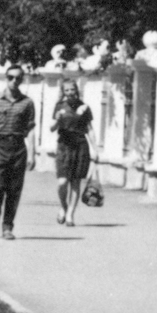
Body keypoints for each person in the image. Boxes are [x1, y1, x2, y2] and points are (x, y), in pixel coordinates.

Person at [0, 67, 39, 240]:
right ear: (6, 78)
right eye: (11, 77)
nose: (14, 81)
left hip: (18, 147)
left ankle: (7, 227)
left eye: (18, 78)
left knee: (14, 189)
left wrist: (32, 154)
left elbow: (31, 129)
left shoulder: (27, 102)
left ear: (22, 80)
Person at [51, 86, 94, 226]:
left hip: (80, 146)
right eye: (67, 90)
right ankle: (64, 206)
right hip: (64, 146)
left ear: (77, 91)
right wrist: (57, 120)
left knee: (75, 182)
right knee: (62, 182)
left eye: (72, 90)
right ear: (64, 92)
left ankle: (70, 214)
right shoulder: (59, 106)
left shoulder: (84, 107)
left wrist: (95, 149)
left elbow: (90, 129)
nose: (70, 93)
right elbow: (51, 128)